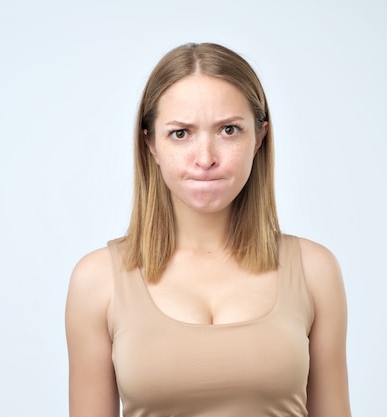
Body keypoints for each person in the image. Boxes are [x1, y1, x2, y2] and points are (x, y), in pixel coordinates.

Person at [65, 42, 351, 417]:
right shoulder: (97, 281)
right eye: (181, 134)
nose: (206, 158)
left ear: (259, 137)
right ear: (149, 142)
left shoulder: (316, 270)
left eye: (229, 130)